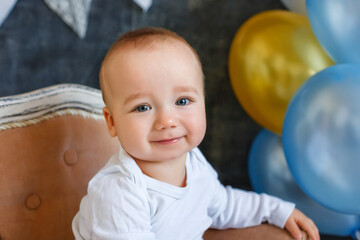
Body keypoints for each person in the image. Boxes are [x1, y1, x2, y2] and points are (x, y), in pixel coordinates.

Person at [72, 27, 320, 240]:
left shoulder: (193, 162)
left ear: (203, 100)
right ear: (112, 121)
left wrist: (276, 210)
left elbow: (223, 205)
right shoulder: (119, 192)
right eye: (143, 107)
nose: (167, 121)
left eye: (182, 101)